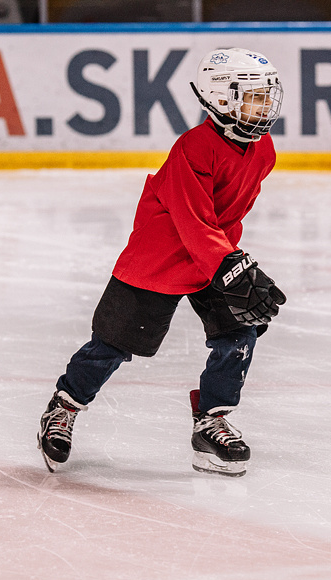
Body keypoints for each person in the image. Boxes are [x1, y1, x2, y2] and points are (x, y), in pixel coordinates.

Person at [37, 48, 286, 478]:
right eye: (253, 97)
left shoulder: (263, 151)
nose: (264, 106)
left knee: (239, 333)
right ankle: (64, 405)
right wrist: (228, 263)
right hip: (162, 255)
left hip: (213, 252)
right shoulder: (194, 148)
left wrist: (234, 264)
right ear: (221, 99)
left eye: (267, 96)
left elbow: (226, 215)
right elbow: (191, 220)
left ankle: (212, 421)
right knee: (113, 344)